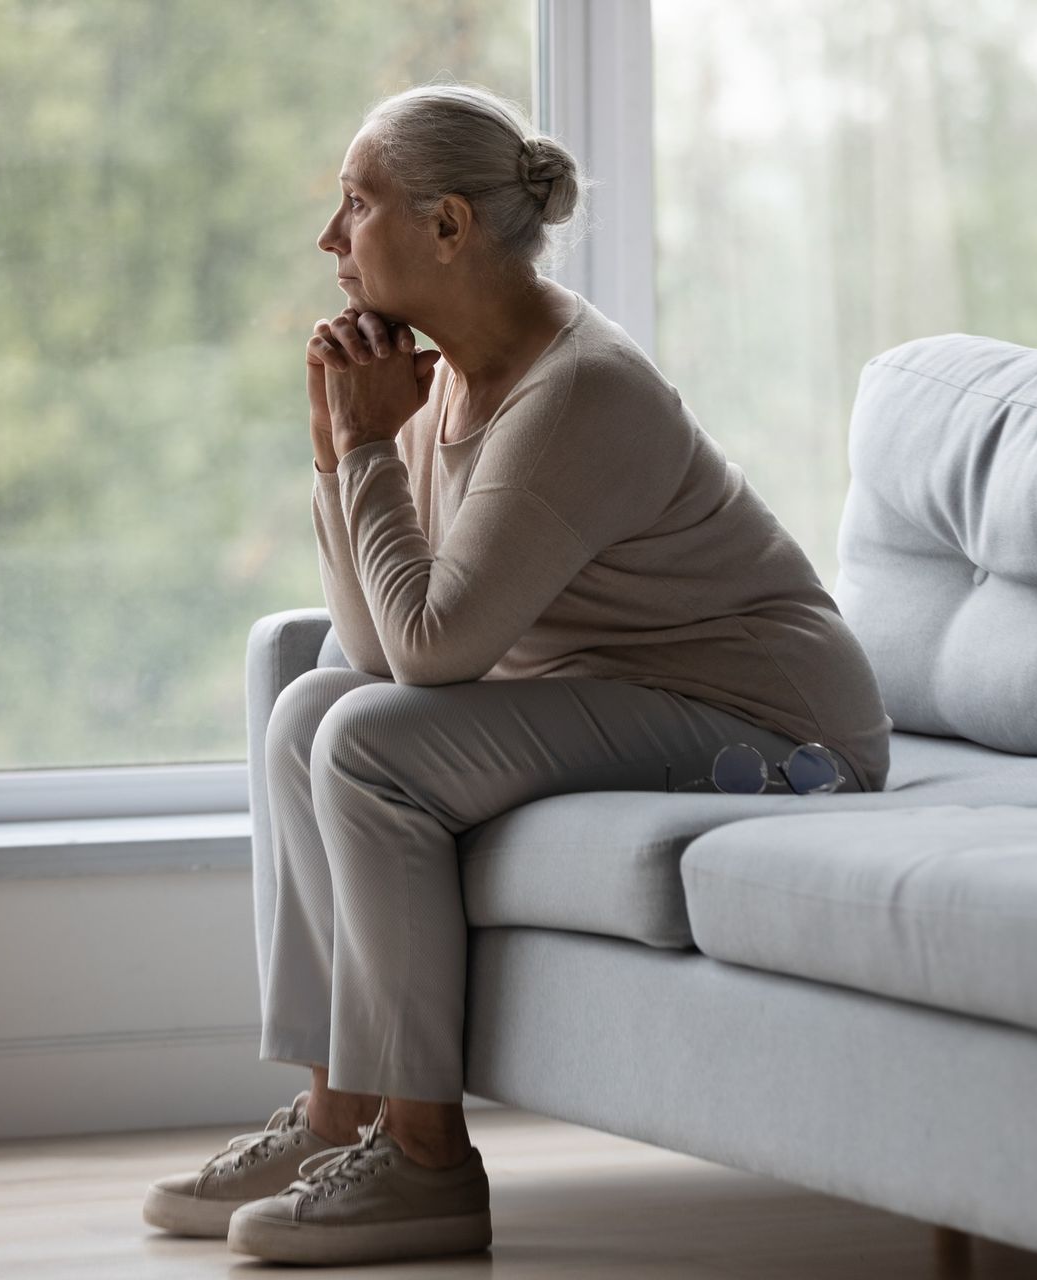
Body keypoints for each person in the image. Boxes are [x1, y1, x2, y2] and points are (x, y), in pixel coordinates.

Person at [139, 81, 892, 1266]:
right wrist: (342, 447)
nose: (331, 239)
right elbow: (380, 647)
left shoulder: (579, 387)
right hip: (624, 685)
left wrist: (370, 446)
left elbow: (433, 652)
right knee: (311, 709)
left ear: (449, 226)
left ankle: (426, 1157)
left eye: (356, 204)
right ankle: (339, 1110)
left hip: (774, 721)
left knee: (368, 738)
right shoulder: (443, 374)